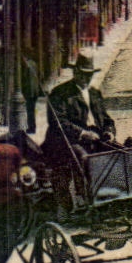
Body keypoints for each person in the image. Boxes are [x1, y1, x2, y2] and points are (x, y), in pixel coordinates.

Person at [42, 54, 119, 208]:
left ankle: (116, 195)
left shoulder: (94, 93)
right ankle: (85, 199)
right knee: (83, 159)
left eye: (89, 75)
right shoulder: (60, 93)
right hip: (67, 140)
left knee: (119, 152)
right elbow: (58, 123)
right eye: (83, 74)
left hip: (95, 137)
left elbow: (106, 119)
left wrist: (109, 132)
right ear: (75, 73)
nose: (86, 78)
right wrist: (83, 133)